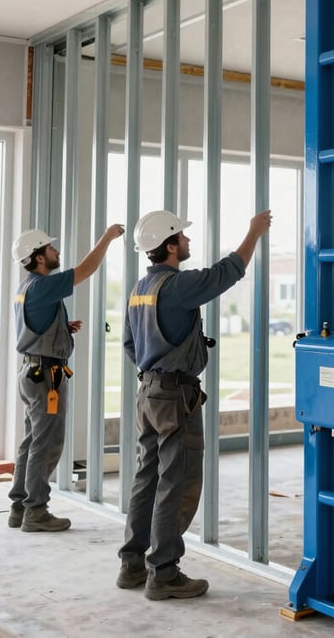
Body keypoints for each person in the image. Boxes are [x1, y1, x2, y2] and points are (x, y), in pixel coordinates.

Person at [117, 208, 272, 601]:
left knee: (147, 478)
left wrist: (156, 367)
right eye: (182, 237)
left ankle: (132, 564)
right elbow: (227, 271)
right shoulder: (176, 285)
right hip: (175, 396)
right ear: (170, 246)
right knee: (178, 481)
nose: (188, 241)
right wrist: (253, 232)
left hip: (147, 392)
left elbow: (130, 345)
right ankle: (164, 572)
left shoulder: (140, 289)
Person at [8, 224, 125, 532]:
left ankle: (19, 507)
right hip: (46, 377)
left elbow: (34, 326)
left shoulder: (26, 287)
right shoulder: (42, 285)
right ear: (38, 257)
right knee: (46, 444)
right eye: (50, 248)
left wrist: (60, 327)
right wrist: (108, 237)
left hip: (32, 371)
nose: (56, 251)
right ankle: (36, 511)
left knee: (32, 441)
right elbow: (86, 269)